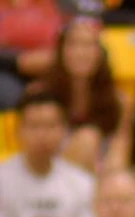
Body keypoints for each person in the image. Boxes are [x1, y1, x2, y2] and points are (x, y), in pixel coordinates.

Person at [0, 86, 92, 217]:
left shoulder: (82, 182)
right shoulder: (2, 178)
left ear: (65, 131)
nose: (42, 135)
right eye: (34, 126)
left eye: (51, 126)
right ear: (18, 131)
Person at [42, 21, 121, 174]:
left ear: (100, 53)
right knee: (87, 138)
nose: (81, 52)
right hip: (52, 175)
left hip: (101, 175)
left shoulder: (118, 100)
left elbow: (120, 152)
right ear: (61, 51)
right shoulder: (41, 94)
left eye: (88, 45)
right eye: (73, 45)